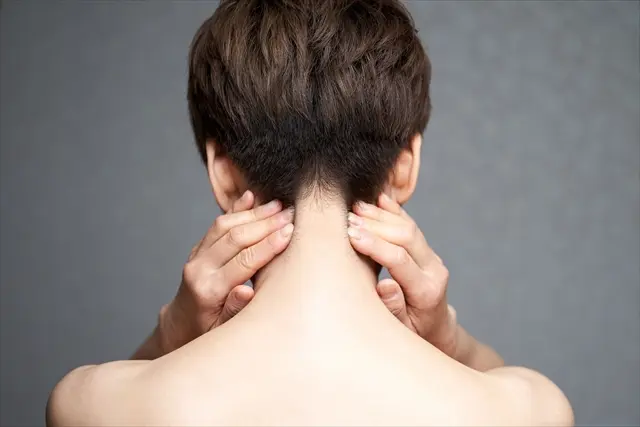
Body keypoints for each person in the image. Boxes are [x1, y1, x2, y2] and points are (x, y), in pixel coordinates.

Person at [46, 1, 574, 425]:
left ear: (223, 172)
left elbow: (117, 390)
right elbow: (506, 386)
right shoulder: (526, 411)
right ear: (405, 166)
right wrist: (453, 345)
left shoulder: (95, 406)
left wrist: (168, 337)